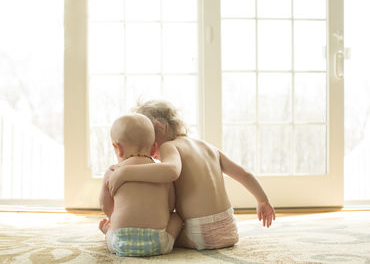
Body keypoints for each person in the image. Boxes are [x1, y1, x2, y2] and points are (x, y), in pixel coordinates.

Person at [108, 100, 275, 250]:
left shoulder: (170, 147)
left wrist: (125, 172)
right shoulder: (208, 147)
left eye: (149, 138)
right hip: (229, 228)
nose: (148, 150)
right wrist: (262, 200)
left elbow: (171, 171)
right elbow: (244, 174)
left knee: (161, 231)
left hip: (200, 234)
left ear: (160, 128)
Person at [99, 113, 182, 257]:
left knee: (112, 226)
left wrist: (117, 217)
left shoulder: (112, 172)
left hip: (121, 242)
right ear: (154, 147)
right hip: (158, 243)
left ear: (118, 148)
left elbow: (105, 206)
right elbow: (170, 206)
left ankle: (109, 233)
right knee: (176, 218)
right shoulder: (161, 172)